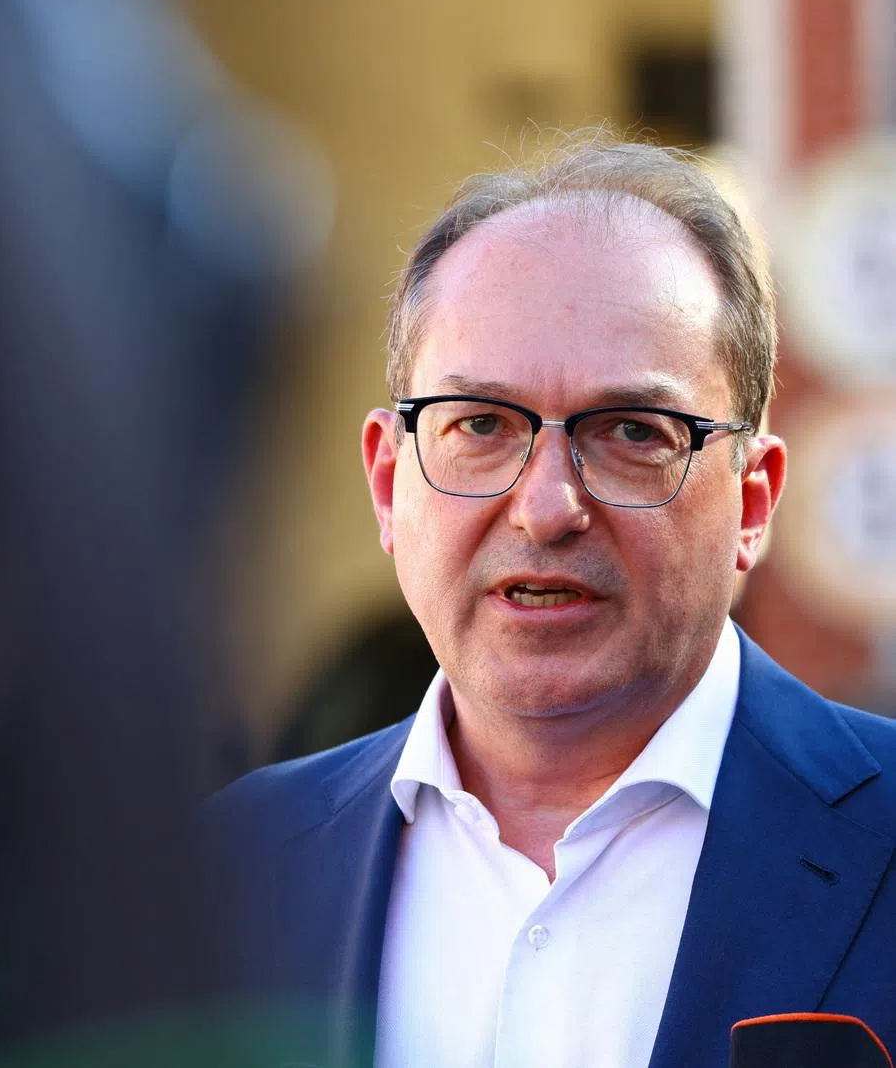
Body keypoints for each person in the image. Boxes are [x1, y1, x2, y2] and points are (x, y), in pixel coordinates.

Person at [205, 137, 896, 1068]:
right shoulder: (225, 874)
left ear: (754, 498)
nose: (546, 508)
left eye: (631, 432)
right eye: (481, 425)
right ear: (386, 483)